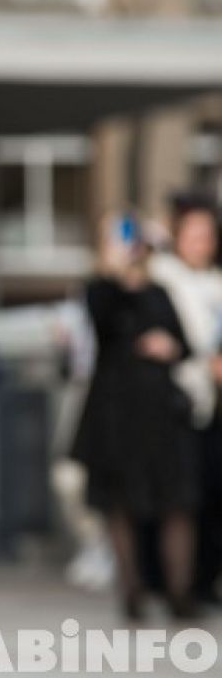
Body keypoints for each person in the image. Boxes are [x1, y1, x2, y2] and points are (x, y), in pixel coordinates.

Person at [71, 214, 199, 621]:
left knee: (176, 502)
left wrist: (169, 345)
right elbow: (103, 323)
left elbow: (186, 343)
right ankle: (132, 592)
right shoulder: (100, 290)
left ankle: (180, 591)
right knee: (118, 504)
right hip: (115, 416)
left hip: (160, 414)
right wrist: (112, 270)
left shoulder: (159, 291)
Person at [148, 195, 222, 607]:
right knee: (180, 497)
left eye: (206, 234)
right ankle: (175, 583)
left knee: (210, 493)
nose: (200, 241)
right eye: (192, 233)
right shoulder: (163, 277)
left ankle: (204, 580)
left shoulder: (216, 281)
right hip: (174, 403)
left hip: (210, 403)